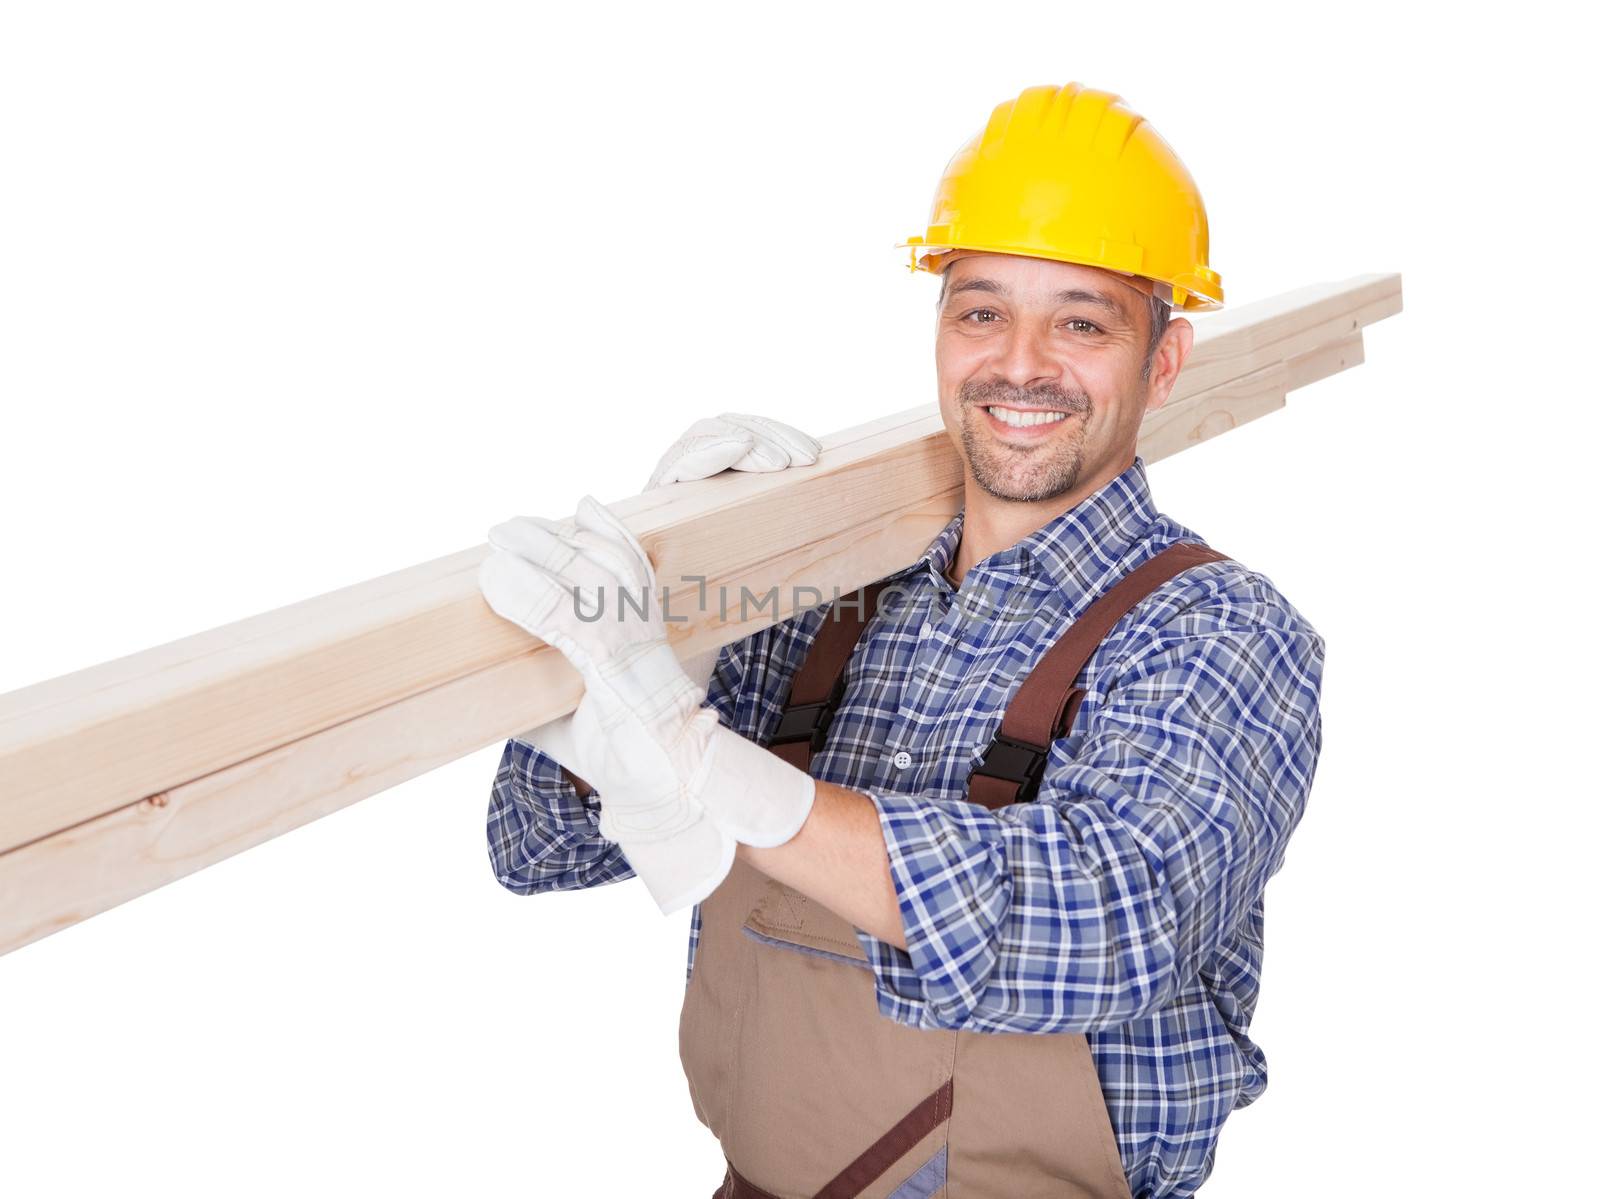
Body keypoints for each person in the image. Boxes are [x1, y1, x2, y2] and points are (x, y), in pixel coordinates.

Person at [480, 82, 1325, 1199]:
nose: (1019, 362)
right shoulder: (824, 605)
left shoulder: (1218, 630)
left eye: (1081, 319)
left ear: (1162, 363)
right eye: (981, 310)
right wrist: (672, 625)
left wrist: (710, 766)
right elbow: (535, 850)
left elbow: (1114, 916)